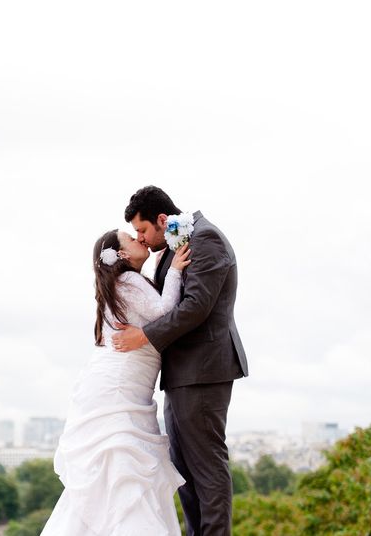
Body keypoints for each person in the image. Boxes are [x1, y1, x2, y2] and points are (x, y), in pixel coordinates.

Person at [112, 185, 249, 535]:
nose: (141, 239)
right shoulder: (176, 245)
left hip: (203, 371)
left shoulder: (206, 239)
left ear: (162, 219)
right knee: (185, 471)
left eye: (142, 230)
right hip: (182, 373)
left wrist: (143, 336)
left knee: (206, 467)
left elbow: (195, 307)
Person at [41, 229, 191, 535]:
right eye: (132, 239)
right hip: (122, 388)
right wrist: (175, 271)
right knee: (126, 471)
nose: (141, 240)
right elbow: (165, 312)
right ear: (120, 255)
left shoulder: (118, 285)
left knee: (113, 476)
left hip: (113, 384)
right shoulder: (129, 280)